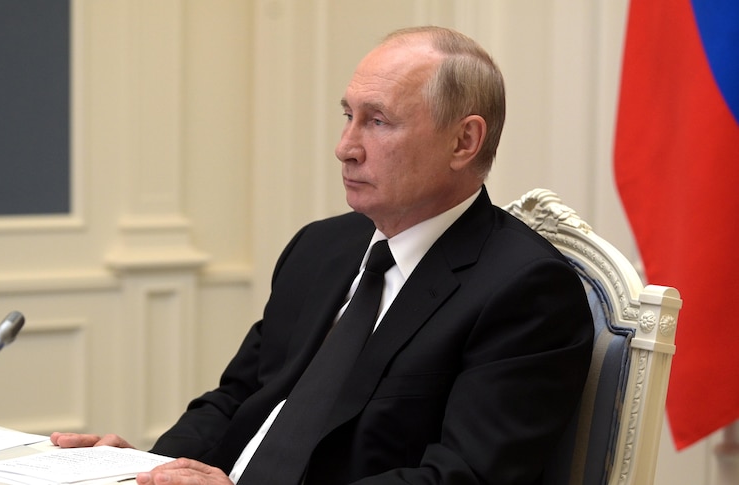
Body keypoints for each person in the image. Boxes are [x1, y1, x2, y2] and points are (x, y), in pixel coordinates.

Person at [51, 26, 594, 485]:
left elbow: (461, 476)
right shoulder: (322, 247)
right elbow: (236, 398)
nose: (345, 146)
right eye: (348, 116)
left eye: (377, 121)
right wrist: (147, 468)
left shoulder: (525, 289)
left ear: (463, 142)